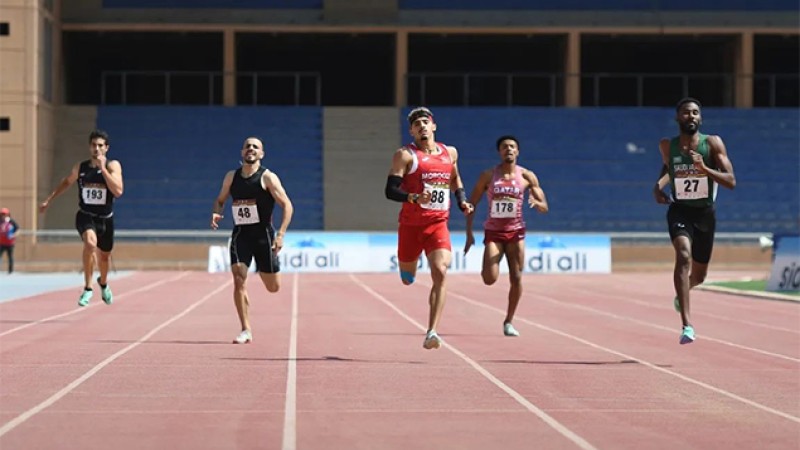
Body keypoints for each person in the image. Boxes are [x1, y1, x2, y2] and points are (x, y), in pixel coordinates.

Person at [384, 107, 474, 350]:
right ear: (411, 131)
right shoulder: (405, 155)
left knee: (441, 271)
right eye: (416, 124)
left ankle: (432, 331)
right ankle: (408, 270)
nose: (422, 126)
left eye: (425, 122)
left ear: (433, 126)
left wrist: (461, 200)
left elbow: (454, 179)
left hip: (437, 224)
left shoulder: (449, 153)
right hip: (411, 227)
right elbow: (390, 191)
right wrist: (414, 198)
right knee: (407, 278)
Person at [653, 98, 736, 345]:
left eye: (695, 112)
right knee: (684, 255)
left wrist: (705, 169)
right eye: (686, 112)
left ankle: (683, 292)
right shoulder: (668, 145)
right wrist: (657, 188)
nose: (691, 116)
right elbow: (669, 169)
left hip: (705, 214)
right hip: (680, 211)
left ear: (700, 118)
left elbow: (731, 180)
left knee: (699, 275)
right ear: (678, 118)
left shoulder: (712, 143)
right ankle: (687, 325)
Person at [211, 137, 294, 344]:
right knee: (238, 277)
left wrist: (281, 235)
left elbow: (287, 206)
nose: (251, 149)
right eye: (247, 146)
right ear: (242, 152)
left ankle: (265, 268)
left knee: (273, 287)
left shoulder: (268, 178)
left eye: (255, 147)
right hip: (241, 235)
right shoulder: (231, 176)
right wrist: (216, 212)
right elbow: (220, 200)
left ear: (261, 154)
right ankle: (245, 329)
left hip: (264, 236)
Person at [464, 135, 549, 337]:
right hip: (494, 232)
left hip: (516, 231)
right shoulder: (488, 176)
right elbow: (471, 204)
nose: (508, 149)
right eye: (504, 147)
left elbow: (545, 207)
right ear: (499, 152)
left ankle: (509, 321)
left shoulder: (528, 176)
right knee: (489, 278)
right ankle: (491, 268)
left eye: (512, 147)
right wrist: (469, 233)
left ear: (517, 151)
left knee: (517, 277)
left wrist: (538, 205)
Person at [40, 129, 124, 306]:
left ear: (106, 148)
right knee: (90, 244)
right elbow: (66, 182)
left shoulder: (112, 166)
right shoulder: (81, 167)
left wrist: (103, 169)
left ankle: (103, 283)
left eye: (100, 146)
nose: (96, 149)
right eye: (93, 145)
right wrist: (49, 200)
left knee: (104, 257)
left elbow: (118, 191)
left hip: (105, 219)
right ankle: (88, 288)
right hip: (86, 215)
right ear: (89, 147)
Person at [0, 208, 19, 274]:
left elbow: (17, 229)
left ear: (8, 214)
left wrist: (13, 235)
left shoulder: (11, 221)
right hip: (1, 243)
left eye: (4, 214)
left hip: (10, 243)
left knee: (10, 257)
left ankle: (10, 270)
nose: (3, 215)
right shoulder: (0, 221)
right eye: (2, 214)